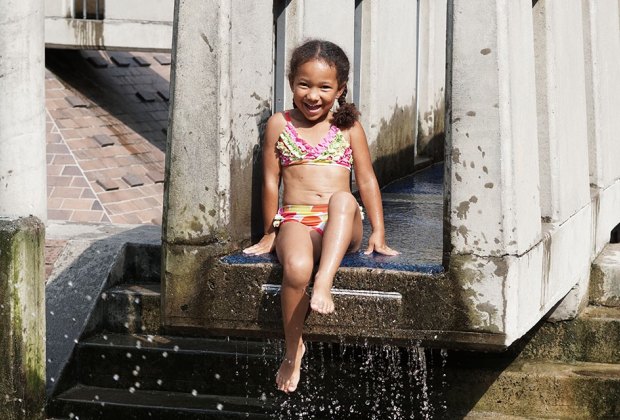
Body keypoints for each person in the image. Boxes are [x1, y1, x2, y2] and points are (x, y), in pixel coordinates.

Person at [243, 39, 398, 394]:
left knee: (343, 198)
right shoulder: (279, 125)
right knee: (296, 268)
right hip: (296, 220)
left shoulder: (348, 127)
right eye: (304, 85)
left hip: (343, 224)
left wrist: (379, 232)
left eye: (324, 87)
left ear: (340, 89)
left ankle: (324, 281)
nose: (313, 95)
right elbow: (270, 182)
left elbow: (368, 180)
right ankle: (292, 349)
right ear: (291, 83)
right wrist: (270, 232)